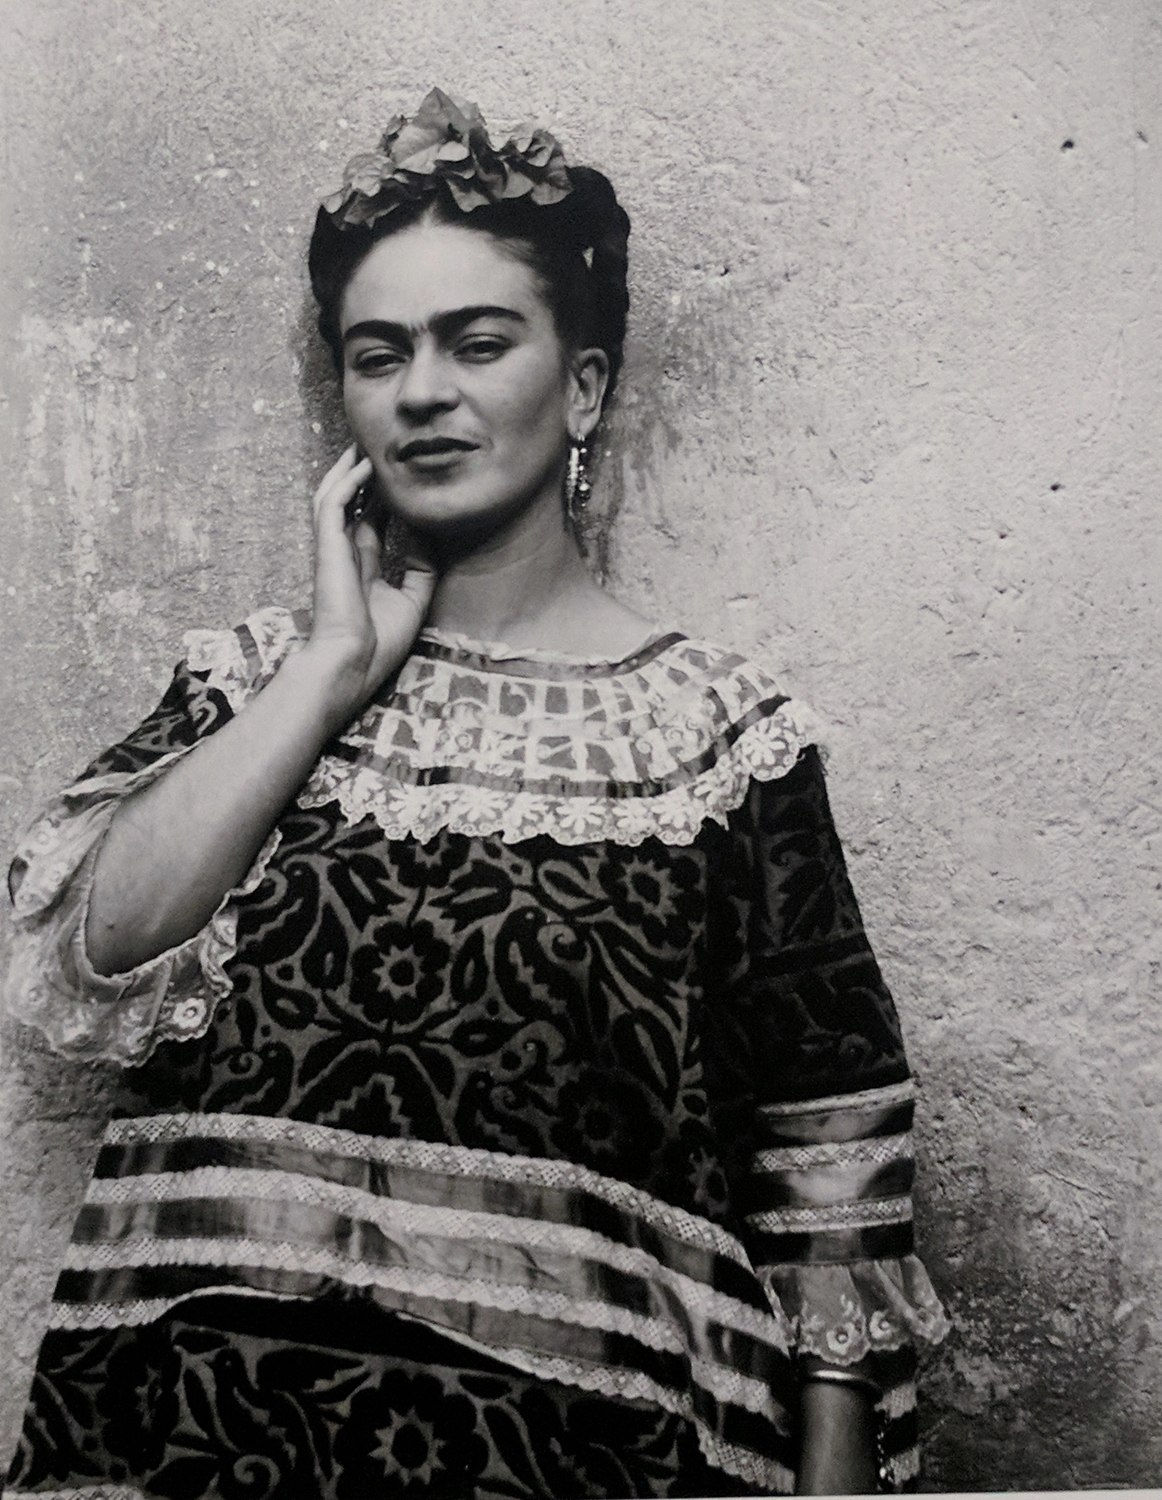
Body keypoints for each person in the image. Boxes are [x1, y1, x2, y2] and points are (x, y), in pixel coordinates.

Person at [2, 88, 949, 1499]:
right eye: (377, 355)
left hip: (576, 1462)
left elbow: (828, 1189)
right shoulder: (250, 687)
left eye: (478, 342)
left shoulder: (714, 739)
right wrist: (327, 675)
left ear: (581, 387)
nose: (423, 390)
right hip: (192, 1446)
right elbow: (84, 953)